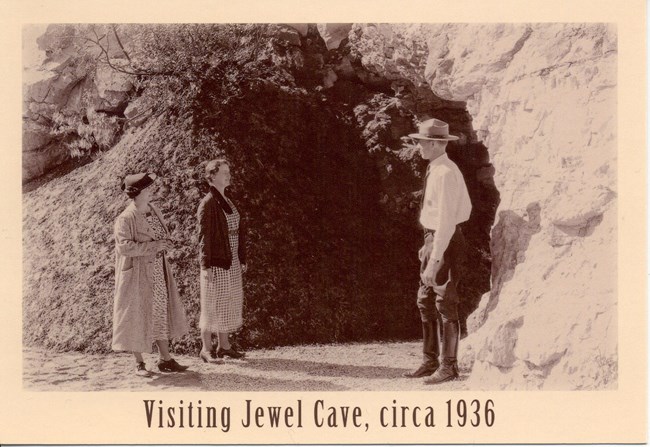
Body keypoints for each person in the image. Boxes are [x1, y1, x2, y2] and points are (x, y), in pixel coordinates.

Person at [403, 118, 472, 384]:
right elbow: (435, 218)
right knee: (424, 299)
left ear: (434, 143)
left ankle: (449, 366)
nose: (418, 146)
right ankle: (430, 360)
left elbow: (446, 221)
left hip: (447, 239)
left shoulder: (445, 173)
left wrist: (435, 258)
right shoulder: (437, 168)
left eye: (420, 142)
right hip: (435, 238)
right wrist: (428, 244)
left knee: (444, 301)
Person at [112, 172, 190, 376]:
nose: (151, 191)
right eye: (147, 188)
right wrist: (154, 246)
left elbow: (160, 234)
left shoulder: (152, 209)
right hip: (137, 275)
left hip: (157, 270)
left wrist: (166, 243)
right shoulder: (126, 218)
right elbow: (124, 247)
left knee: (159, 312)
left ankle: (165, 359)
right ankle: (139, 363)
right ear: (138, 193)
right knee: (137, 314)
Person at [197, 159, 247, 363]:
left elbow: (239, 229)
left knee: (228, 301)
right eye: (224, 172)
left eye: (228, 171)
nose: (228, 175)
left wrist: (241, 257)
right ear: (212, 176)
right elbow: (203, 236)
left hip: (231, 259)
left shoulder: (227, 199)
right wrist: (205, 264)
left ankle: (224, 346)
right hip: (217, 261)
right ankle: (206, 348)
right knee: (211, 303)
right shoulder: (208, 203)